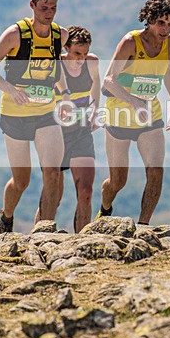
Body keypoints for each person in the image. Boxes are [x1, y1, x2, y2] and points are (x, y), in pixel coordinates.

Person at [0, 0, 70, 233]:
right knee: (22, 181)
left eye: (53, 8)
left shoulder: (61, 35)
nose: (49, 13)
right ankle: (7, 217)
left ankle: (44, 232)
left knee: (53, 173)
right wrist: (11, 90)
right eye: (44, 8)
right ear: (32, 5)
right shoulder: (14, 34)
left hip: (46, 113)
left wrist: (64, 95)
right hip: (15, 115)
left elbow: (56, 66)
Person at [98, 0, 170, 225]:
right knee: (118, 181)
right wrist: (134, 102)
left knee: (156, 171)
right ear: (149, 20)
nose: (165, 29)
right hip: (119, 115)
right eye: (160, 23)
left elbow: (168, 71)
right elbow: (108, 80)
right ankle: (105, 209)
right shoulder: (130, 42)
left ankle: (144, 225)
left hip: (150, 114)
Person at [42, 26, 101, 233]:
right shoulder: (55, 64)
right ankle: (41, 235)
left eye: (85, 53)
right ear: (66, 48)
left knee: (86, 192)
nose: (81, 59)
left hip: (81, 133)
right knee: (53, 196)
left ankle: (83, 240)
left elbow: (96, 84)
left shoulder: (92, 62)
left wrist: (95, 110)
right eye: (77, 53)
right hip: (54, 135)